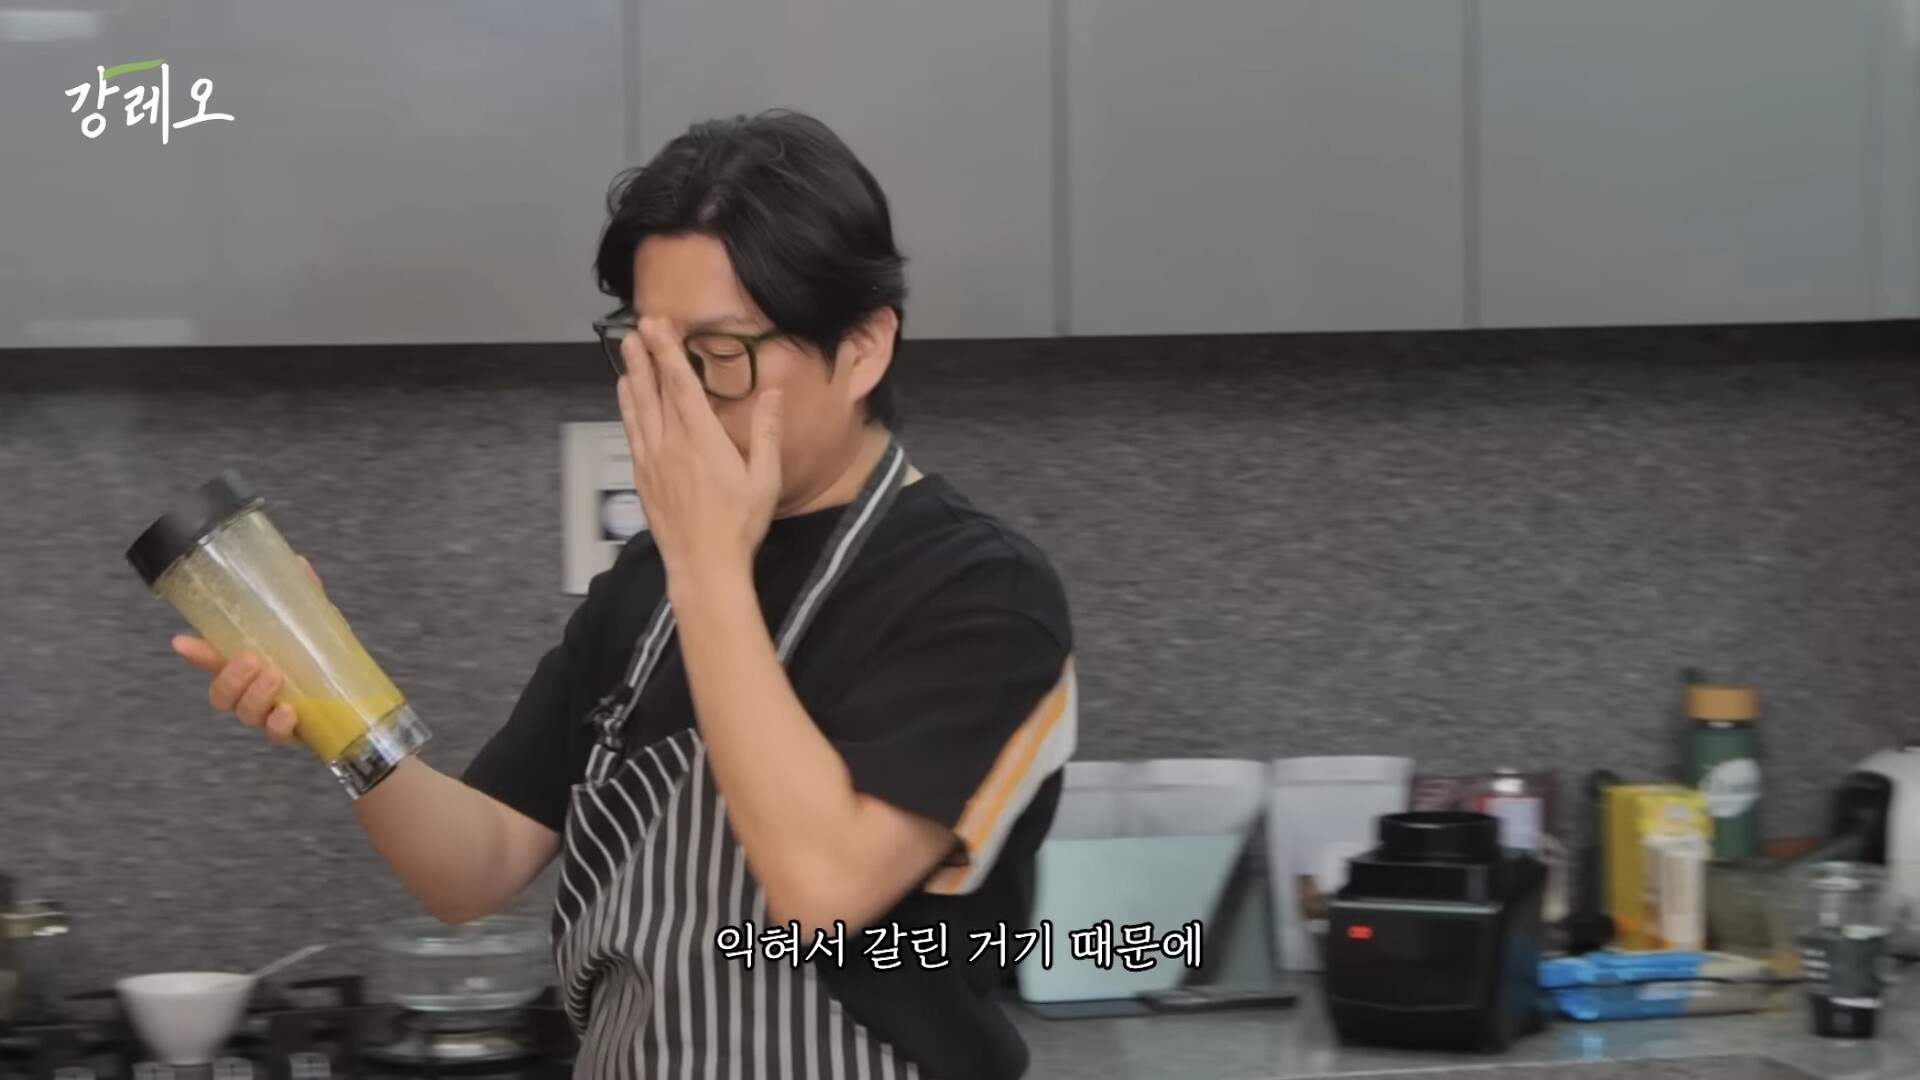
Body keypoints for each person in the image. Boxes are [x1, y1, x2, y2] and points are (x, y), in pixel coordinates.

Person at [172, 109, 1077, 1080]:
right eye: (649, 354)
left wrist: (707, 565)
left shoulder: (982, 595)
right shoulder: (646, 586)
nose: (676, 399)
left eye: (718, 356)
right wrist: (334, 702)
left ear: (862, 346)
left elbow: (822, 890)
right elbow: (471, 869)